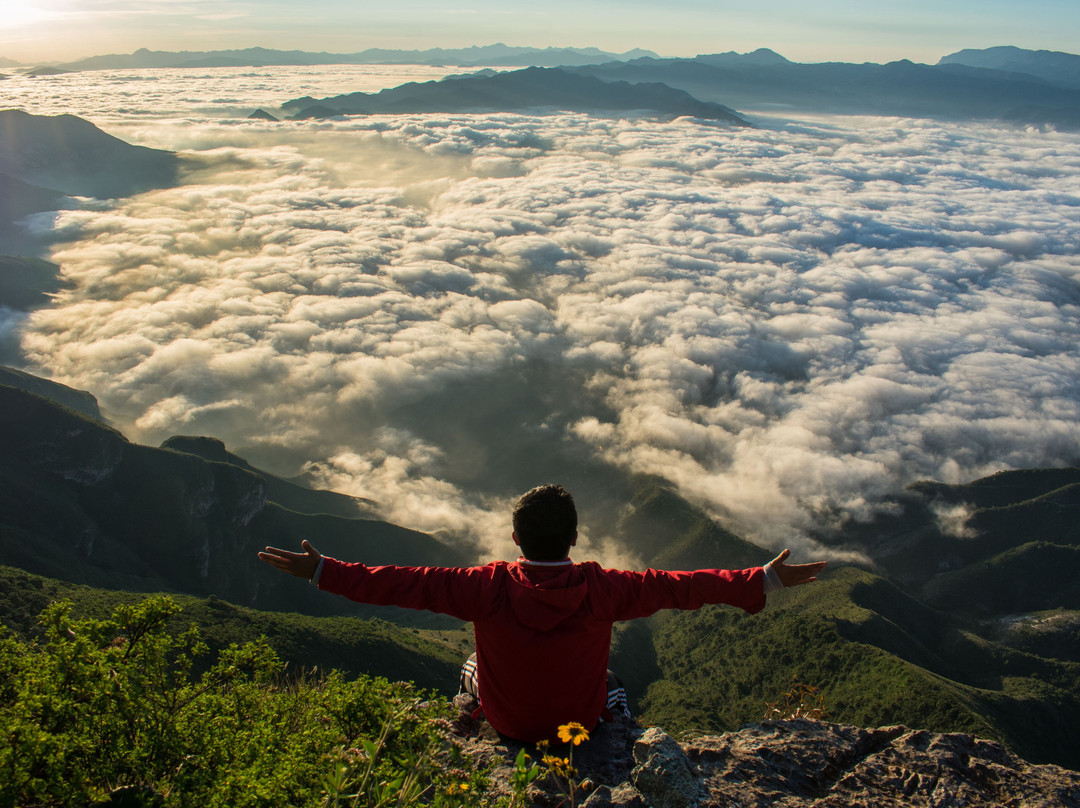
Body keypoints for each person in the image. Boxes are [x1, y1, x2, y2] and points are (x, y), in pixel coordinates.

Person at [258, 483, 826, 744]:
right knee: (614, 683)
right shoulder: (605, 589)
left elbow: (402, 585)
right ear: (574, 538)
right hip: (576, 726)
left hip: (508, 725)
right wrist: (765, 577)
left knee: (469, 669)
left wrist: (322, 571)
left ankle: (472, 716)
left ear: (514, 538)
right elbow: (682, 587)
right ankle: (618, 733)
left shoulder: (485, 589)